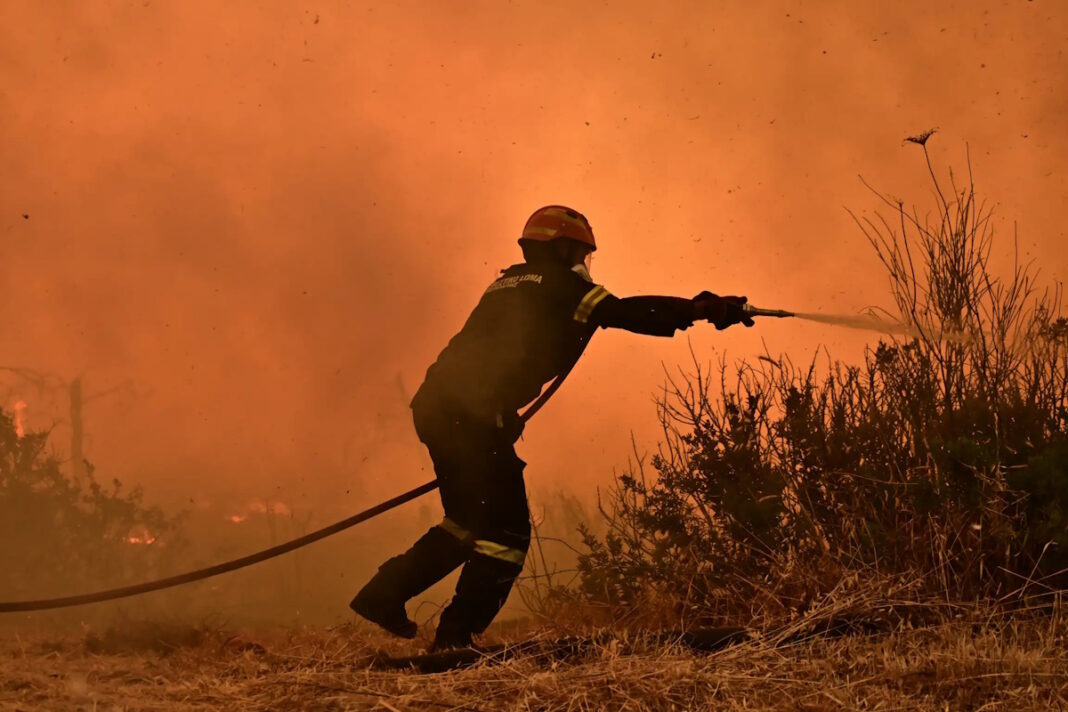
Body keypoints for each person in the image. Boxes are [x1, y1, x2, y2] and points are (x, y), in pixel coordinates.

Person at [350, 205, 753, 651]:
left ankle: (384, 593)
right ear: (561, 250)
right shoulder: (558, 285)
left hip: (439, 408)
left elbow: (496, 353)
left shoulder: (510, 283)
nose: (583, 265)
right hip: (471, 416)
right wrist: (699, 309)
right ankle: (455, 640)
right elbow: (624, 312)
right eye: (580, 254)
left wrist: (500, 412)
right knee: (505, 536)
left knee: (467, 521)